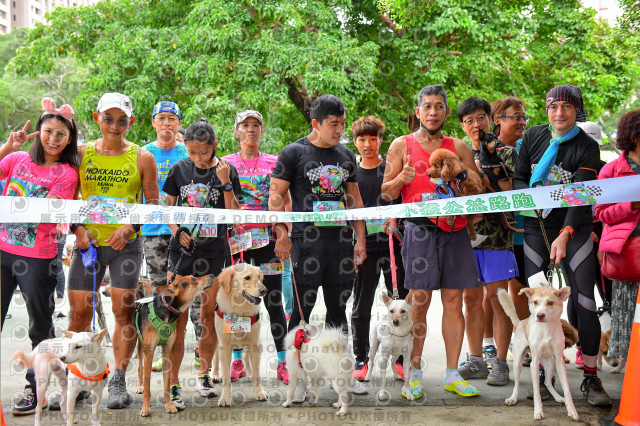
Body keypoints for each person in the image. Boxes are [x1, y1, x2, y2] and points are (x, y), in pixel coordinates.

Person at [381, 84, 483, 399]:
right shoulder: (401, 146)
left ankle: (453, 374)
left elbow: (479, 192)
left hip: (455, 232)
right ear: (418, 112)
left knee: (454, 303)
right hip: (420, 233)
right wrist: (402, 179)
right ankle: (414, 375)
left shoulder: (460, 146)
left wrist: (462, 177)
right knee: (419, 304)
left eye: (439, 106)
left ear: (446, 112)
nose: (433, 112)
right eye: (427, 106)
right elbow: (385, 193)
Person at [513, 84, 611, 406]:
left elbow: (582, 196)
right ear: (547, 110)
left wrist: (566, 232)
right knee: (539, 300)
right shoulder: (533, 137)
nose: (560, 113)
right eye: (554, 107)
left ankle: (591, 377)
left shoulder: (587, 147)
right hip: (536, 225)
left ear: (577, 110)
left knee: (583, 298)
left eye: (567, 107)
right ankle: (542, 377)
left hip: (575, 226)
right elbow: (519, 177)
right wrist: (531, 201)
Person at [269, 94, 368, 398]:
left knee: (338, 314)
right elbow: (275, 196)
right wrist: (282, 232)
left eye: (342, 124)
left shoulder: (346, 155)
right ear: (316, 123)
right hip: (305, 246)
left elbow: (354, 200)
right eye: (333, 124)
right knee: (301, 315)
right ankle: (296, 381)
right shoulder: (293, 153)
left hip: (339, 247)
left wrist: (360, 239)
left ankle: (343, 376)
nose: (339, 130)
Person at [66, 92, 159, 409]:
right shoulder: (80, 153)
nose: (115, 125)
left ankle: (118, 379)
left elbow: (153, 206)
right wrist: (77, 229)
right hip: (87, 247)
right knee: (79, 312)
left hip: (126, 247)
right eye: (108, 118)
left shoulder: (143, 157)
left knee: (123, 312)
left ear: (131, 122)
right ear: (96, 119)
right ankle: (76, 380)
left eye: (122, 120)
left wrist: (131, 228)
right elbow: (67, 199)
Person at [0, 98, 79, 415]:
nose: (54, 138)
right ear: (39, 130)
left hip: (38, 258)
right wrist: (7, 148)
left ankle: (38, 391)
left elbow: (45, 209)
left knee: (39, 328)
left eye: (62, 134)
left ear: (69, 140)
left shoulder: (67, 173)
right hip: (2, 251)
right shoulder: (17, 158)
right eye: (49, 131)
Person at [164, 120, 241, 406]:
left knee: (207, 317)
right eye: (192, 151)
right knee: (177, 318)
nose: (197, 157)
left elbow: (235, 213)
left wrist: (226, 183)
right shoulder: (178, 169)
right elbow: (166, 209)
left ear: (215, 146)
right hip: (183, 251)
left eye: (203, 152)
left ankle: (204, 373)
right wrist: (178, 232)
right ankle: (173, 384)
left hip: (213, 252)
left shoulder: (226, 170)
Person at [222, 110, 289, 384]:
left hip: (268, 242)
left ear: (262, 131)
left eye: (256, 126)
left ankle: (284, 362)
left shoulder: (276, 162)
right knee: (237, 302)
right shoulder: (224, 163)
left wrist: (284, 233)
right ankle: (237, 359)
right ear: (236, 131)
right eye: (245, 125)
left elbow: (284, 201)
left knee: (273, 299)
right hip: (237, 243)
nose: (251, 130)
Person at [455, 97, 518, 387]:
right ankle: (476, 360)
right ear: (462, 126)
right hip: (468, 236)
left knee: (497, 297)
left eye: (480, 118)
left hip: (498, 235)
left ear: (490, 119)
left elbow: (513, 185)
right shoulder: (460, 152)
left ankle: (502, 363)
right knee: (471, 299)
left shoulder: (503, 150)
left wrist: (484, 171)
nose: (475, 125)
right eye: (469, 121)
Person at [349, 116, 408, 381]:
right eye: (362, 139)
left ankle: (401, 361)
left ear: (381, 140)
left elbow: (402, 200)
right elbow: (351, 210)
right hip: (365, 247)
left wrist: (395, 222)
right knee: (361, 305)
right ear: (355, 142)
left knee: (402, 303)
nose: (367, 144)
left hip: (395, 245)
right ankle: (362, 359)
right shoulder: (352, 173)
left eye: (373, 138)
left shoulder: (391, 168)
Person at [140, 101, 190, 372]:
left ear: (179, 123)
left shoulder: (188, 152)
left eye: (172, 118)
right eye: (162, 118)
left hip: (186, 233)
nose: (167, 123)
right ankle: (163, 348)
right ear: (154, 123)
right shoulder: (143, 152)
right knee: (162, 294)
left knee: (189, 291)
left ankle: (190, 352)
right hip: (151, 232)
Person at [594, 109, 640, 372]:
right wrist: (631, 204)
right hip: (627, 254)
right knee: (626, 315)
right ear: (634, 136)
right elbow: (602, 213)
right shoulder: (612, 170)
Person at [491, 97, 531, 330]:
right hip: (493, 235)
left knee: (522, 289)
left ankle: (525, 343)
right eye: (516, 117)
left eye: (523, 117)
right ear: (497, 120)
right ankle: (489, 347)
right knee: (492, 294)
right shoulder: (484, 151)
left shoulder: (529, 149)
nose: (521, 122)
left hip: (526, 231)